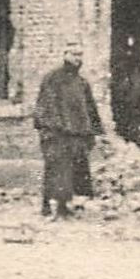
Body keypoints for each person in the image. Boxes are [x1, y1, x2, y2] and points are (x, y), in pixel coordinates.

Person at [32, 41, 103, 219]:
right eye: (73, 54)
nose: (77, 59)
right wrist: (55, 128)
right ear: (65, 55)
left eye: (80, 55)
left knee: (71, 172)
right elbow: (46, 106)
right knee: (56, 169)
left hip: (76, 135)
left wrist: (92, 131)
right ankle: (48, 206)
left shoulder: (82, 83)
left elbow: (89, 108)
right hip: (57, 134)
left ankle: (64, 206)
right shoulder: (52, 79)